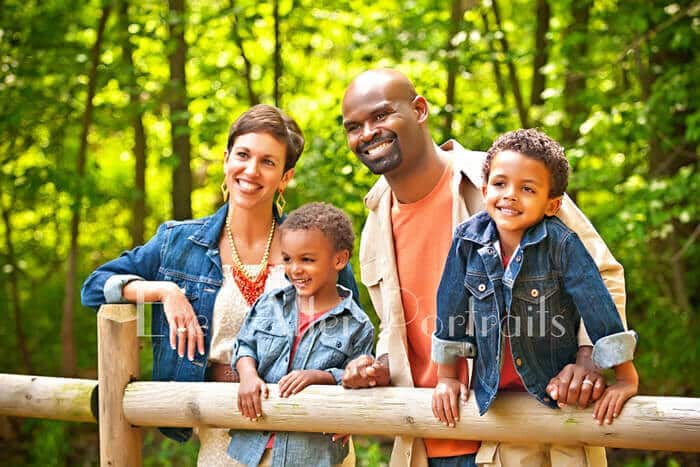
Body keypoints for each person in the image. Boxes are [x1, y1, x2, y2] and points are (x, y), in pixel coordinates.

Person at [340, 69, 628, 467]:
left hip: (520, 437)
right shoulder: (375, 220)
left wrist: (587, 360)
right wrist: (378, 366)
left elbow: (601, 273)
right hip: (427, 438)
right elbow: (406, 327)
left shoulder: (503, 178)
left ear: (420, 110)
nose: (368, 133)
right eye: (353, 127)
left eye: (381, 115)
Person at [80, 105, 360, 466]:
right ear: (227, 159)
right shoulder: (177, 244)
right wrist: (163, 291)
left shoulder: (318, 245)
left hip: (313, 438)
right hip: (223, 437)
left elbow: (352, 335)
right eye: (243, 155)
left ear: (285, 177)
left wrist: (348, 395)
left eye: (268, 162)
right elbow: (95, 286)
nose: (251, 170)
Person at [431, 128, 639, 465]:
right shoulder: (467, 241)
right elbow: (449, 308)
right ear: (485, 190)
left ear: (552, 204)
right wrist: (447, 377)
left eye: (527, 189)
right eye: (500, 184)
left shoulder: (563, 244)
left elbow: (598, 307)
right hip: (503, 402)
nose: (510, 196)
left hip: (562, 396)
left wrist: (626, 378)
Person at [227, 202, 375, 466]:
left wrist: (321, 377)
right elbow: (244, 345)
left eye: (307, 259)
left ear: (339, 259)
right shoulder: (269, 304)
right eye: (288, 259)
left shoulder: (357, 324)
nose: (295, 269)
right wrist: (247, 375)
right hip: (255, 449)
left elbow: (360, 382)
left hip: (313, 453)